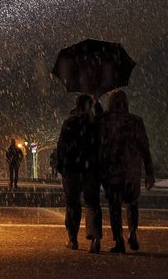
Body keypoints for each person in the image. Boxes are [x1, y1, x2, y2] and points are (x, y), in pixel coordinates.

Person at [100, 89, 155, 253]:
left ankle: (119, 240)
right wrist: (149, 171)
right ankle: (133, 232)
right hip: (131, 171)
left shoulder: (106, 122)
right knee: (132, 203)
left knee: (114, 207)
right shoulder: (136, 122)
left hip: (113, 171)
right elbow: (145, 148)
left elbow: (101, 146)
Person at [55, 94, 103, 253]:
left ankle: (73, 238)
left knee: (73, 203)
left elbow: (61, 146)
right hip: (91, 169)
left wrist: (61, 166)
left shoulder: (70, 122)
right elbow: (101, 143)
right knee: (92, 203)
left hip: (72, 169)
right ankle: (94, 238)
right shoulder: (95, 123)